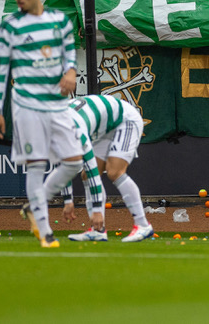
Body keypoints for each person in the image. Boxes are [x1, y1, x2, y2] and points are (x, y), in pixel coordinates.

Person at [0, 0, 80, 249]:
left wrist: (71, 71)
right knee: (37, 166)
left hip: (57, 103)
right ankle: (44, 230)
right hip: (27, 103)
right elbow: (1, 69)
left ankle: (33, 205)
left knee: (74, 161)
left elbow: (69, 55)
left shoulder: (60, 22)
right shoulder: (10, 26)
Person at [62, 94, 154, 243]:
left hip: (125, 120)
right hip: (105, 127)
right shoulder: (61, 124)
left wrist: (97, 210)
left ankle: (143, 225)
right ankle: (98, 230)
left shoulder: (76, 129)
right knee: (86, 175)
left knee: (114, 172)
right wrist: (67, 201)